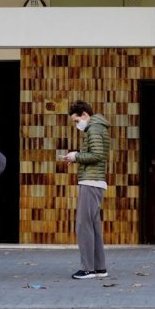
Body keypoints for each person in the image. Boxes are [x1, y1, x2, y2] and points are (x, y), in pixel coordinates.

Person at [64, 100, 111, 279]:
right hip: (94, 181)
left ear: (84, 114)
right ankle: (99, 268)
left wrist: (76, 156)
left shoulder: (94, 129)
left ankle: (88, 269)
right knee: (93, 226)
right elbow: (97, 154)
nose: (77, 125)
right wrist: (76, 156)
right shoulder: (97, 128)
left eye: (77, 121)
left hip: (91, 181)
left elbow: (98, 155)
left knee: (83, 225)